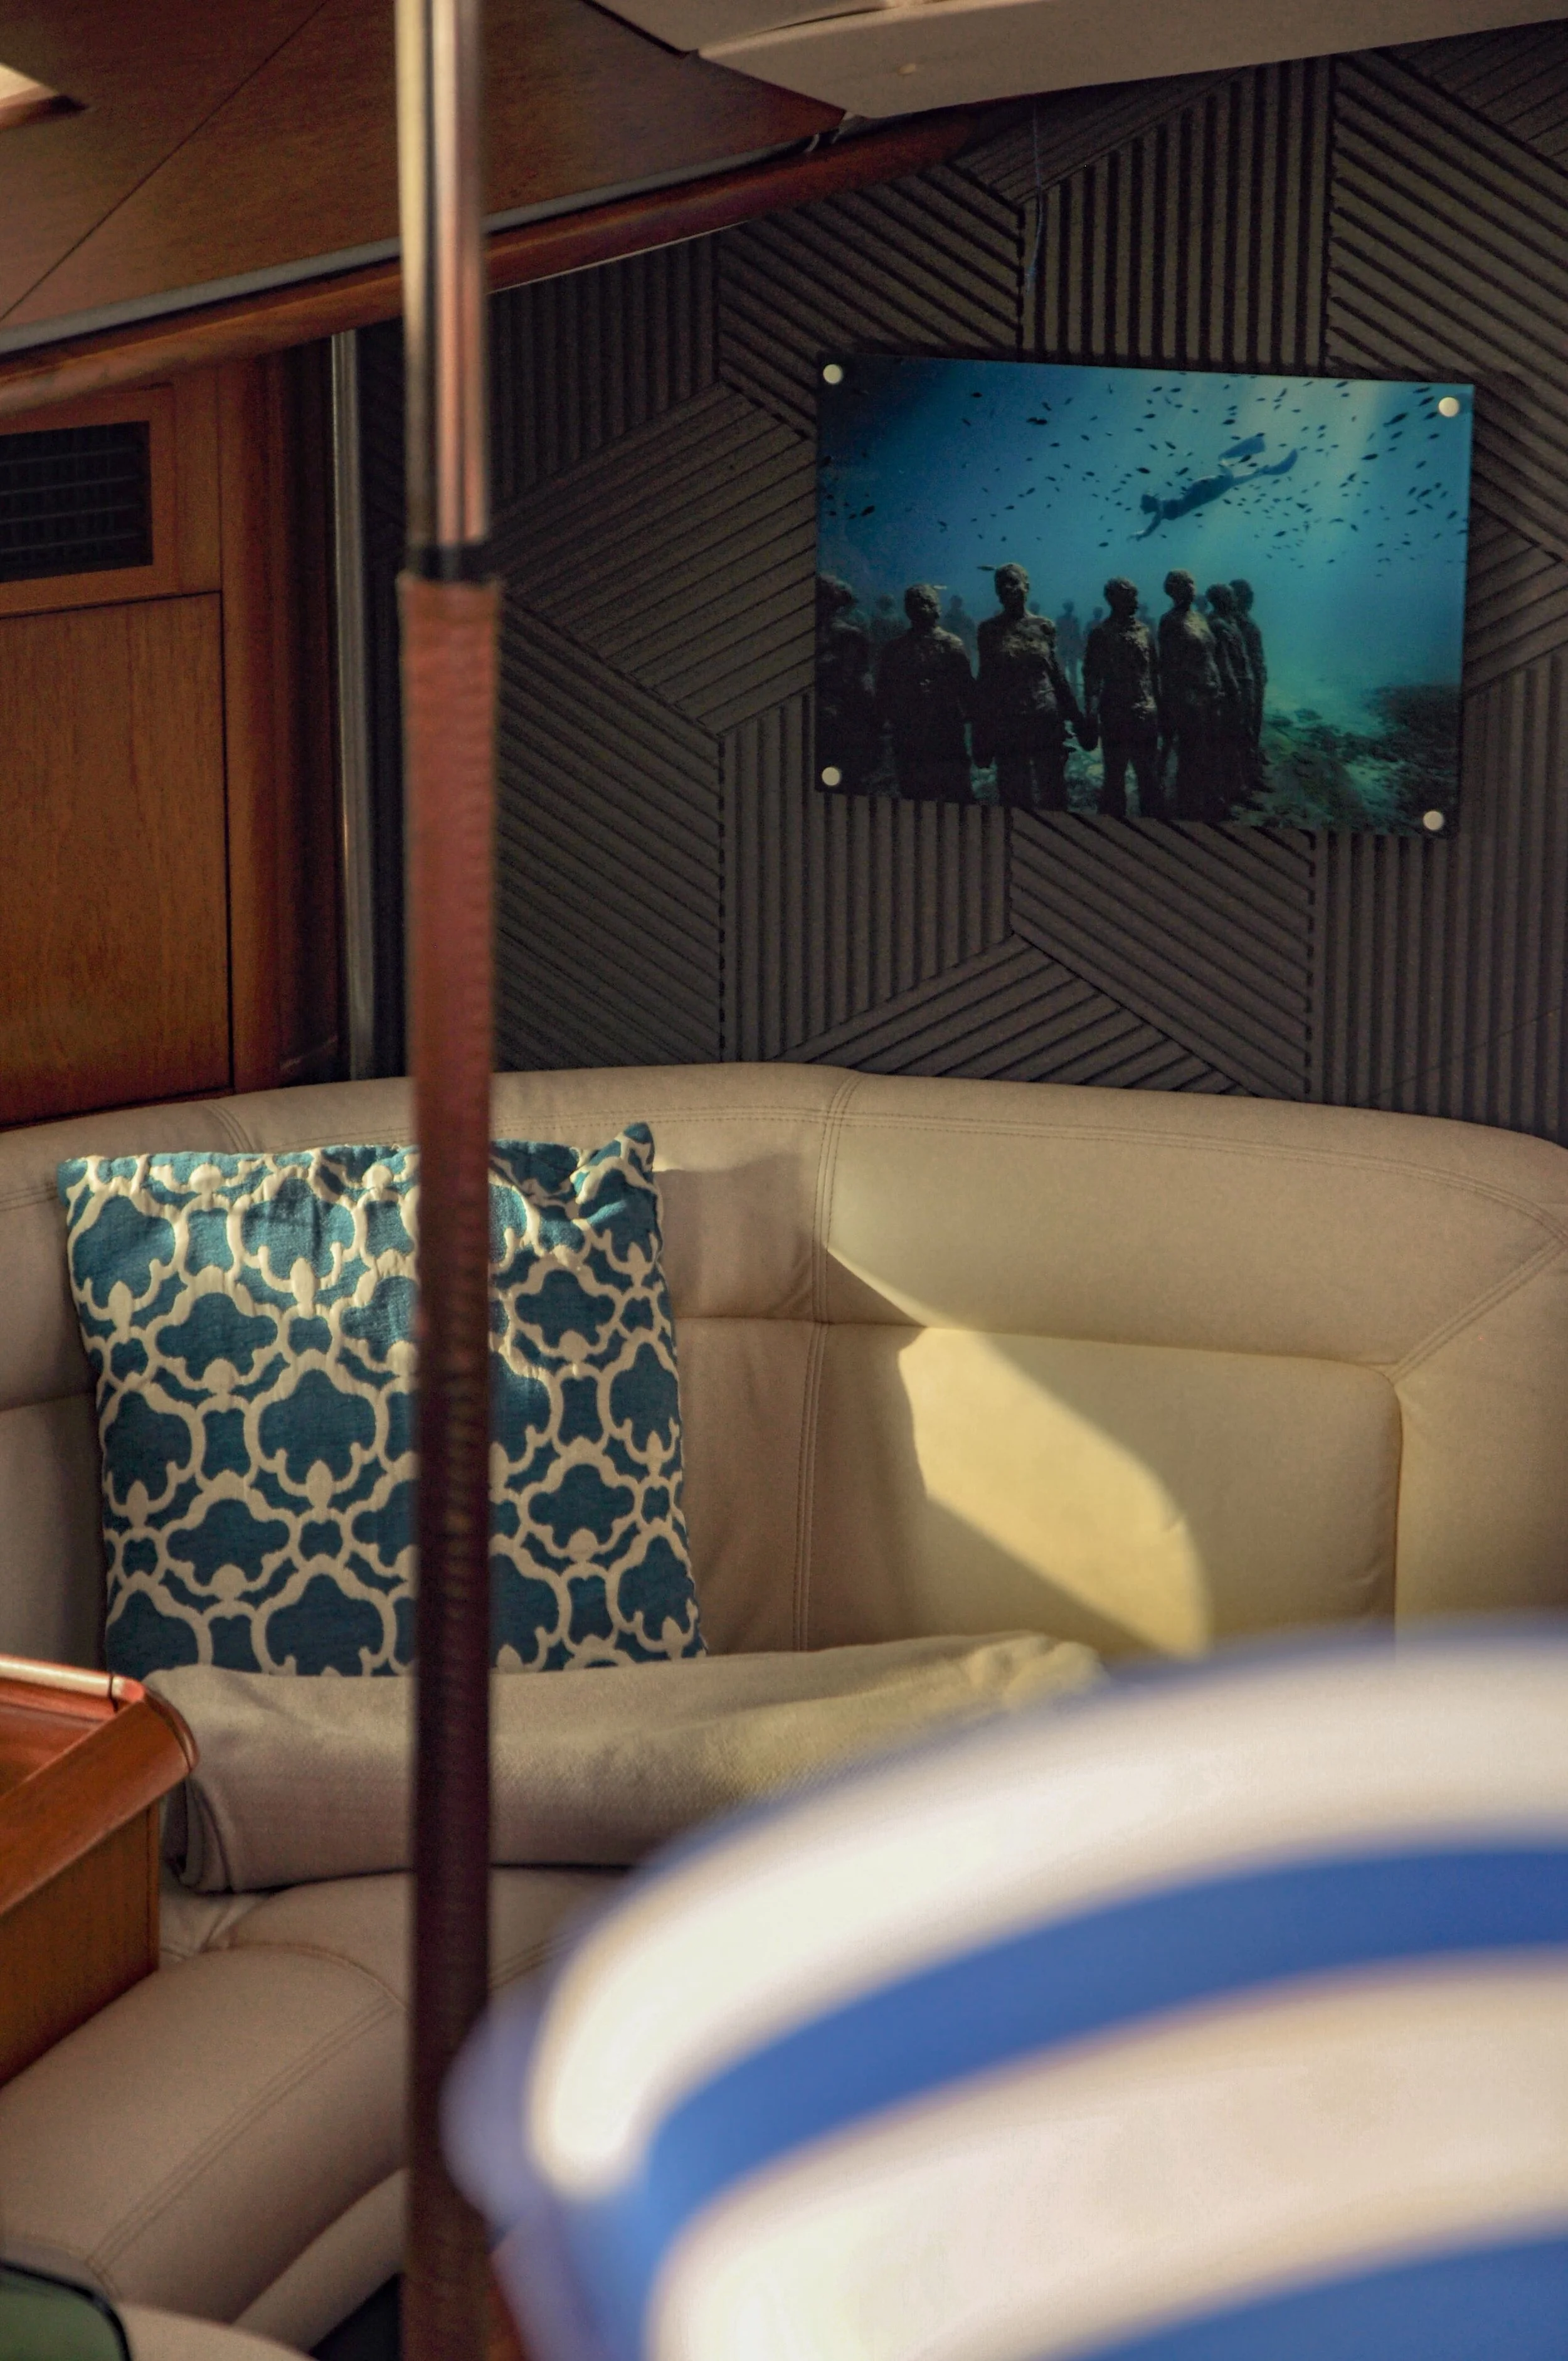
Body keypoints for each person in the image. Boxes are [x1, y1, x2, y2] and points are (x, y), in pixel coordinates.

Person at [973, 563, 1087, 812]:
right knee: (1014, 794)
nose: (1007, 588)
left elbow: (1057, 676)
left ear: (1027, 587)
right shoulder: (989, 631)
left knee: (1054, 791)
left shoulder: (1044, 627)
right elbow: (986, 683)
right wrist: (981, 734)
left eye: (1013, 582)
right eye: (1001, 584)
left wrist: (1078, 720)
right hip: (1009, 724)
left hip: (1046, 721)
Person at [874, 583, 974, 802]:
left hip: (946, 734)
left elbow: (967, 690)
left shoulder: (951, 646)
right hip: (910, 736)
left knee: (956, 791)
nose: (922, 609)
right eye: (916, 604)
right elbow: (883, 693)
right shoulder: (894, 650)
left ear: (937, 608)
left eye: (927, 603)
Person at [1083, 577, 1165, 820]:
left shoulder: (1144, 631)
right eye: (1131, 596)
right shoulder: (1101, 634)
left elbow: (1154, 674)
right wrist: (1090, 716)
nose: (1137, 601)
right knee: (1114, 778)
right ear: (1115, 600)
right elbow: (1092, 679)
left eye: (1136, 595)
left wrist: (1162, 710)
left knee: (1149, 776)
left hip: (1146, 715)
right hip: (1115, 716)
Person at [1157, 569, 1225, 821]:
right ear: (1173, 590)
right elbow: (1168, 665)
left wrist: (1217, 686)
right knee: (1190, 754)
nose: (1191, 587)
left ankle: (1208, 800)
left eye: (1193, 582)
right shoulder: (1170, 621)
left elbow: (1210, 656)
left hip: (1211, 694)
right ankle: (1187, 805)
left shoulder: (1200, 618)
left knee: (1210, 752)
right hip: (1188, 698)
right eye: (1185, 584)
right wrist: (1173, 701)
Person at [814, 574, 877, 792]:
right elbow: (864, 684)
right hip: (840, 723)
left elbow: (863, 681)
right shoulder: (850, 635)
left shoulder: (850, 635)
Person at [1204, 582, 1256, 812]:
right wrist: (1234, 692)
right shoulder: (1217, 625)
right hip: (1230, 694)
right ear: (1221, 599)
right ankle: (1226, 793)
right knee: (1228, 743)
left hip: (1241, 690)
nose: (1234, 600)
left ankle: (1238, 788)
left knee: (1239, 740)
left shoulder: (1229, 622)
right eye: (1230, 596)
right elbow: (1224, 665)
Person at [1231, 578, 1268, 782]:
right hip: (1245, 685)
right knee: (1244, 730)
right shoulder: (1233, 624)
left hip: (1256, 682)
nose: (1252, 598)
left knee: (1254, 727)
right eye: (1247, 595)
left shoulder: (1244, 621)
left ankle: (1252, 768)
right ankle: (1245, 775)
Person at [1054, 598, 1086, 696]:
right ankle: (1073, 691)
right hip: (1070, 648)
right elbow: (1077, 635)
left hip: (1064, 647)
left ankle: (1064, 691)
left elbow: (1058, 634)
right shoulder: (1074, 620)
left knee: (1064, 670)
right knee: (1071, 671)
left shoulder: (1060, 619)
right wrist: (1081, 647)